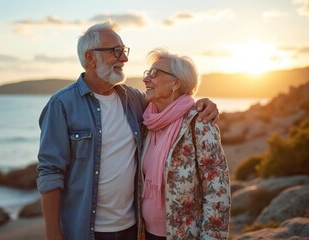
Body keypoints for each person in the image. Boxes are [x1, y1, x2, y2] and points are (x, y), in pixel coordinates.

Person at [36, 21, 219, 240]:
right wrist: (53, 233)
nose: (124, 58)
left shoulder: (133, 100)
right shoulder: (62, 105)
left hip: (133, 228)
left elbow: (171, 105)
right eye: (116, 51)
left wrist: (204, 103)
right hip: (85, 230)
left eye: (124, 51)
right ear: (91, 57)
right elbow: (50, 171)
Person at [140, 48, 231, 240]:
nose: (146, 79)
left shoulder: (199, 123)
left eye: (154, 74)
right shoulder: (147, 121)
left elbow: (217, 192)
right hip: (145, 234)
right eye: (147, 73)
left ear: (176, 82)